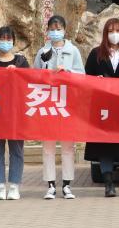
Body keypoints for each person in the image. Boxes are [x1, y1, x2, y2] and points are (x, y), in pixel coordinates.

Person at [84, 18, 119, 197]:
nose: (114, 34)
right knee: (105, 146)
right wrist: (97, 81)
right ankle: (108, 184)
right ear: (105, 34)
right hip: (103, 107)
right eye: (110, 31)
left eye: (117, 31)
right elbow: (86, 78)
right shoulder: (96, 54)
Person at [33, 15, 83, 200]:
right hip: (48, 103)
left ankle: (67, 185)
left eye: (58, 28)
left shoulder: (73, 51)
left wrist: (67, 72)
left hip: (68, 104)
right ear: (47, 31)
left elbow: (82, 75)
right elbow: (34, 76)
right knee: (48, 147)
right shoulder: (42, 52)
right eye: (52, 29)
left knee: (68, 146)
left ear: (64, 30)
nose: (55, 32)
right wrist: (47, 73)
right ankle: (51, 185)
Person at [0, 26, 29, 200]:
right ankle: (0, 185)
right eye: (2, 39)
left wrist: (17, 74)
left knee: (16, 150)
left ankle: (14, 186)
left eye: (9, 39)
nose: (5, 42)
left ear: (14, 41)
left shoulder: (21, 61)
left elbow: (29, 84)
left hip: (16, 113)